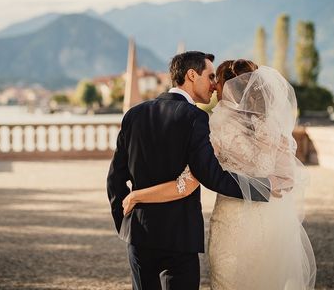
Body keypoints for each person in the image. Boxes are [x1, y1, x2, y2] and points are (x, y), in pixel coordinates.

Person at [122, 59, 316, 290]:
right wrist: (264, 185)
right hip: (270, 224)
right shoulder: (272, 128)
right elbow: (287, 181)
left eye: (218, 80)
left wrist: (137, 196)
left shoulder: (217, 125)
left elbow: (188, 183)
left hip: (231, 223)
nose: (214, 86)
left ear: (232, 88)